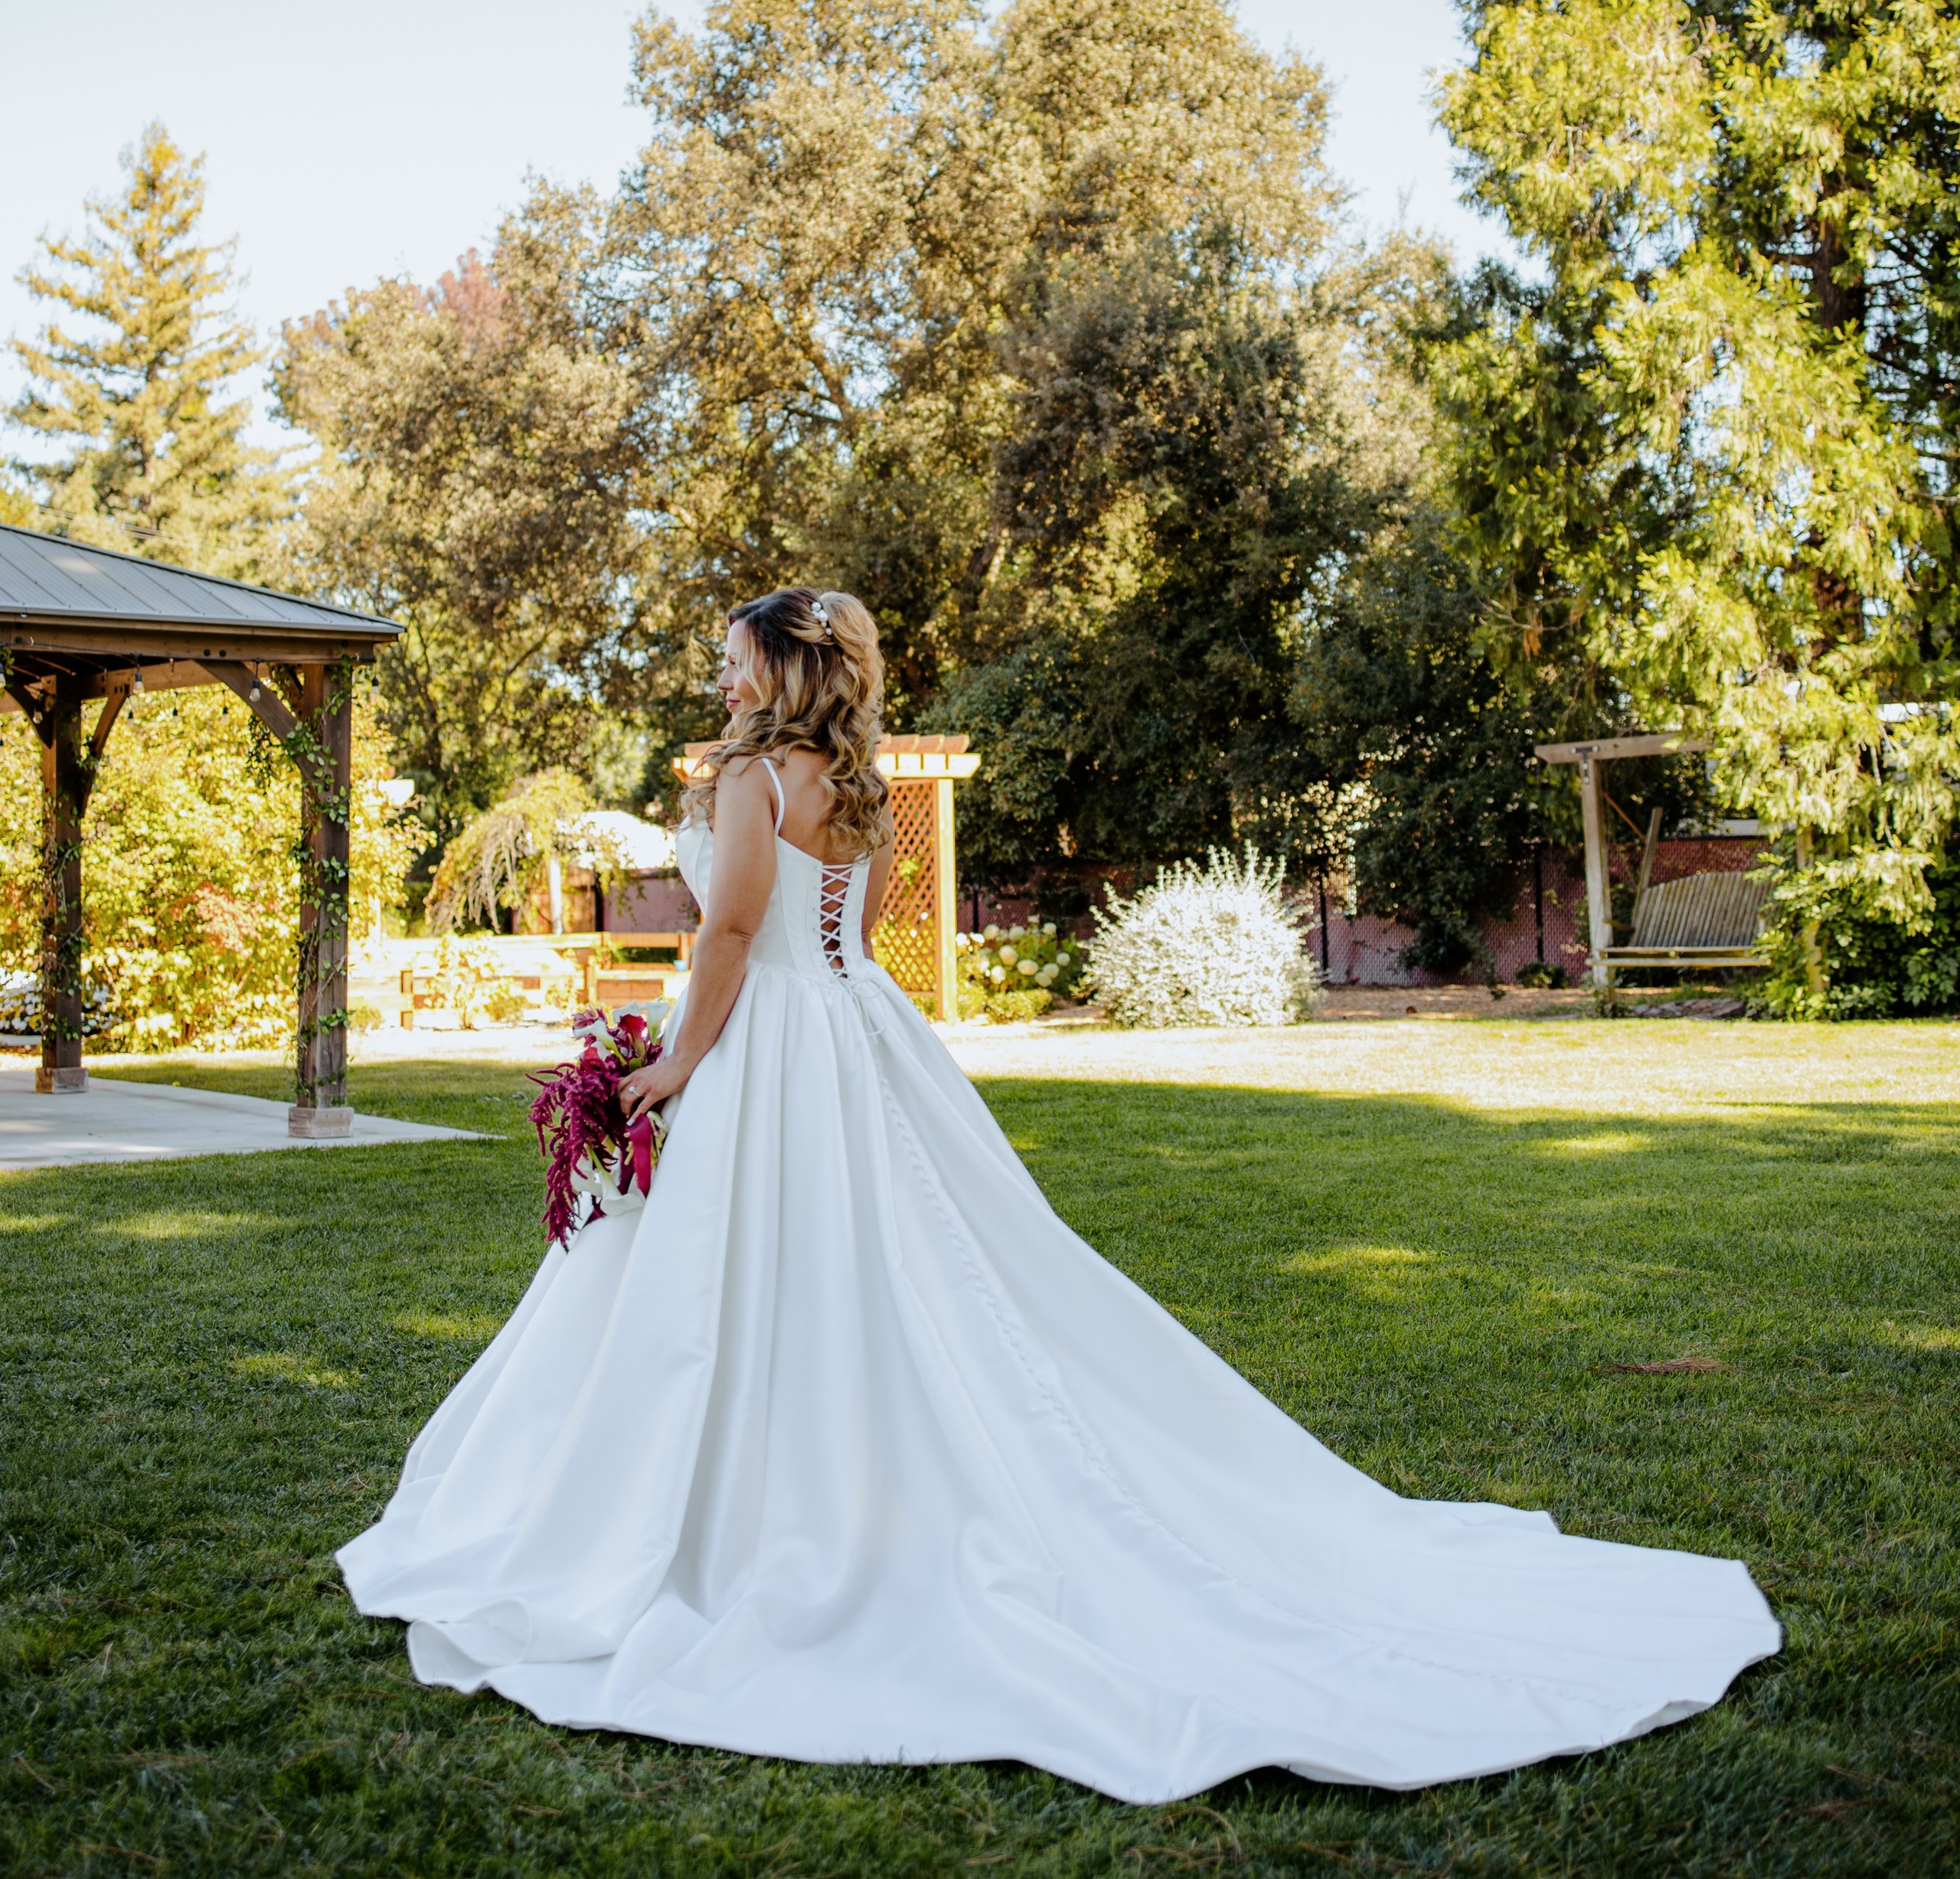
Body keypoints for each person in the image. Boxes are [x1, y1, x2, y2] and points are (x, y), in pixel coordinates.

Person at [338, 588, 1777, 1804]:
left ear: (777, 669)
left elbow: (724, 932)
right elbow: (846, 935)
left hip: (771, 1048)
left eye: (732, 654)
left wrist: (668, 1063)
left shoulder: (740, 780)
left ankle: (720, 1520)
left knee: (755, 1284)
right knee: (916, 1274)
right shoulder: (854, 782)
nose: (716, 674)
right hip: (862, 1039)